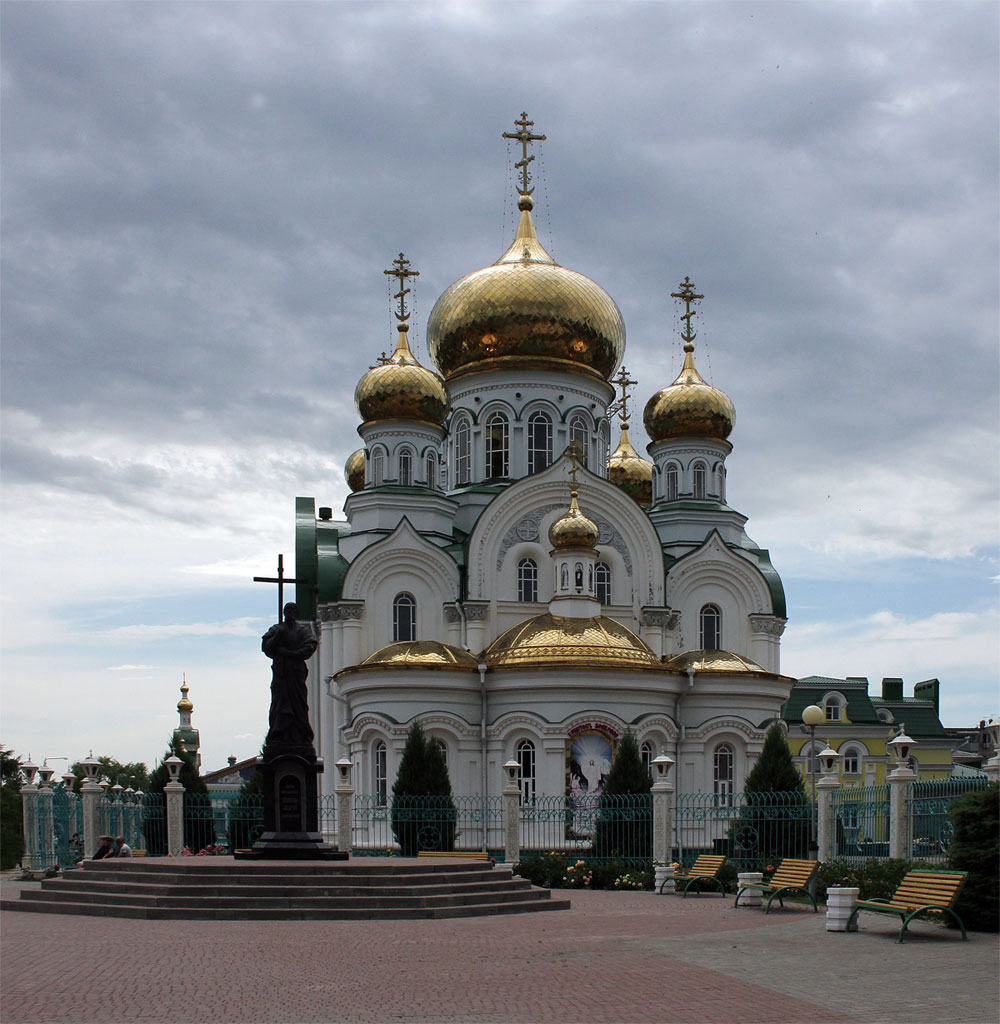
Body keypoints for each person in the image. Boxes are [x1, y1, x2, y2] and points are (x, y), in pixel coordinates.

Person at [261, 602, 318, 753]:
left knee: (299, 704)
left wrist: (292, 654)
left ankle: (300, 735)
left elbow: (310, 645)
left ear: (297, 613)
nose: (290, 612)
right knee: (279, 704)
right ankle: (278, 734)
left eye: (293, 610)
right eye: (287, 610)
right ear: (284, 612)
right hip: (281, 674)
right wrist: (277, 638)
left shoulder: (302, 631)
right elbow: (266, 647)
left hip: (296, 673)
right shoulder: (277, 629)